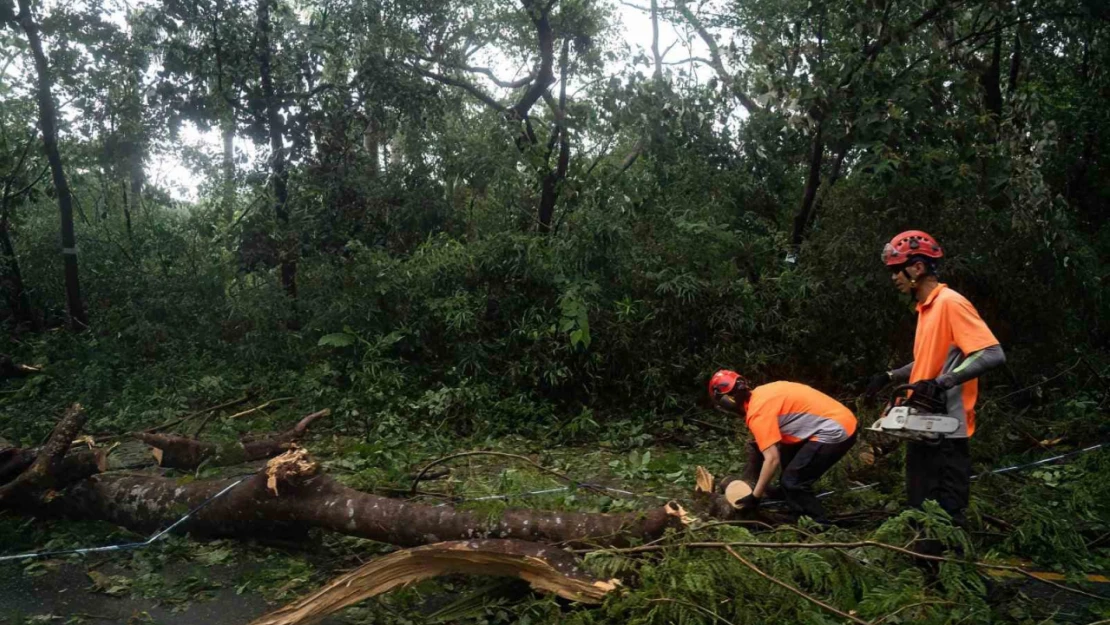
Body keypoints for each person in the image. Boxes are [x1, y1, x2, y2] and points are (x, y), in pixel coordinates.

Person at [864, 230, 1005, 528]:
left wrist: (944, 382)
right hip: (924, 423)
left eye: (895, 269)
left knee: (945, 512)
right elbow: (929, 358)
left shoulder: (950, 303)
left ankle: (945, 567)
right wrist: (890, 376)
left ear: (917, 267)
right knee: (919, 504)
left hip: (946, 430)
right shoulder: (927, 309)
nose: (893, 277)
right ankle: (925, 566)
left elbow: (991, 353)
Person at [708, 370, 857, 524]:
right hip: (836, 418)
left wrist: (755, 497)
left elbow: (772, 459)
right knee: (788, 465)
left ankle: (818, 523)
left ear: (727, 401)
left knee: (793, 481)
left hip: (836, 430)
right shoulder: (761, 393)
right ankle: (791, 500)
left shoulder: (758, 413)